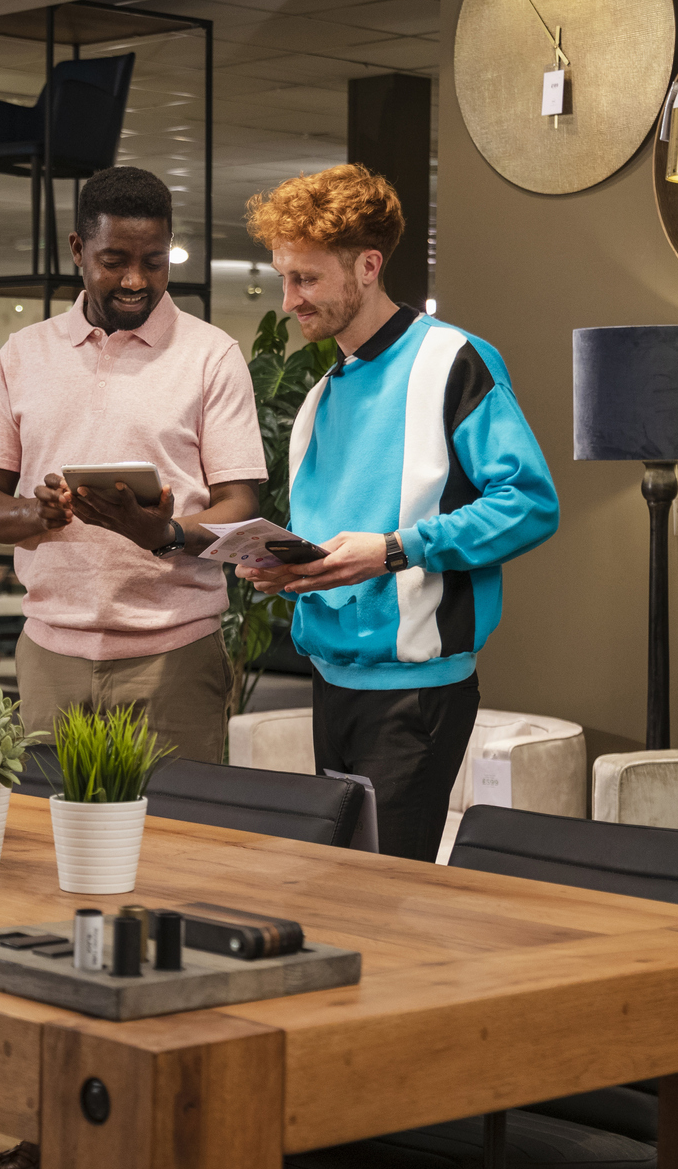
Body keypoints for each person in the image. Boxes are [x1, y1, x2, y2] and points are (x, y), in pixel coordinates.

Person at [239, 164, 560, 861]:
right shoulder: (322, 393)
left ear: (368, 265)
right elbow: (330, 541)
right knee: (343, 887)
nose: (289, 299)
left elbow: (530, 505)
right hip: (330, 683)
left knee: (385, 896)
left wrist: (392, 549)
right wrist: (289, 571)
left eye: (306, 278)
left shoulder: (454, 360)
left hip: (417, 696)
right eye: (283, 278)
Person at [0, 165, 265, 763]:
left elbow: (242, 507)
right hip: (50, 655)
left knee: (179, 846)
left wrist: (166, 533)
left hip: (174, 656)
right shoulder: (23, 355)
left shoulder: (211, 356)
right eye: (115, 259)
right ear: (78, 249)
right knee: (48, 845)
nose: (135, 280)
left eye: (154, 261)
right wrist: (36, 513)